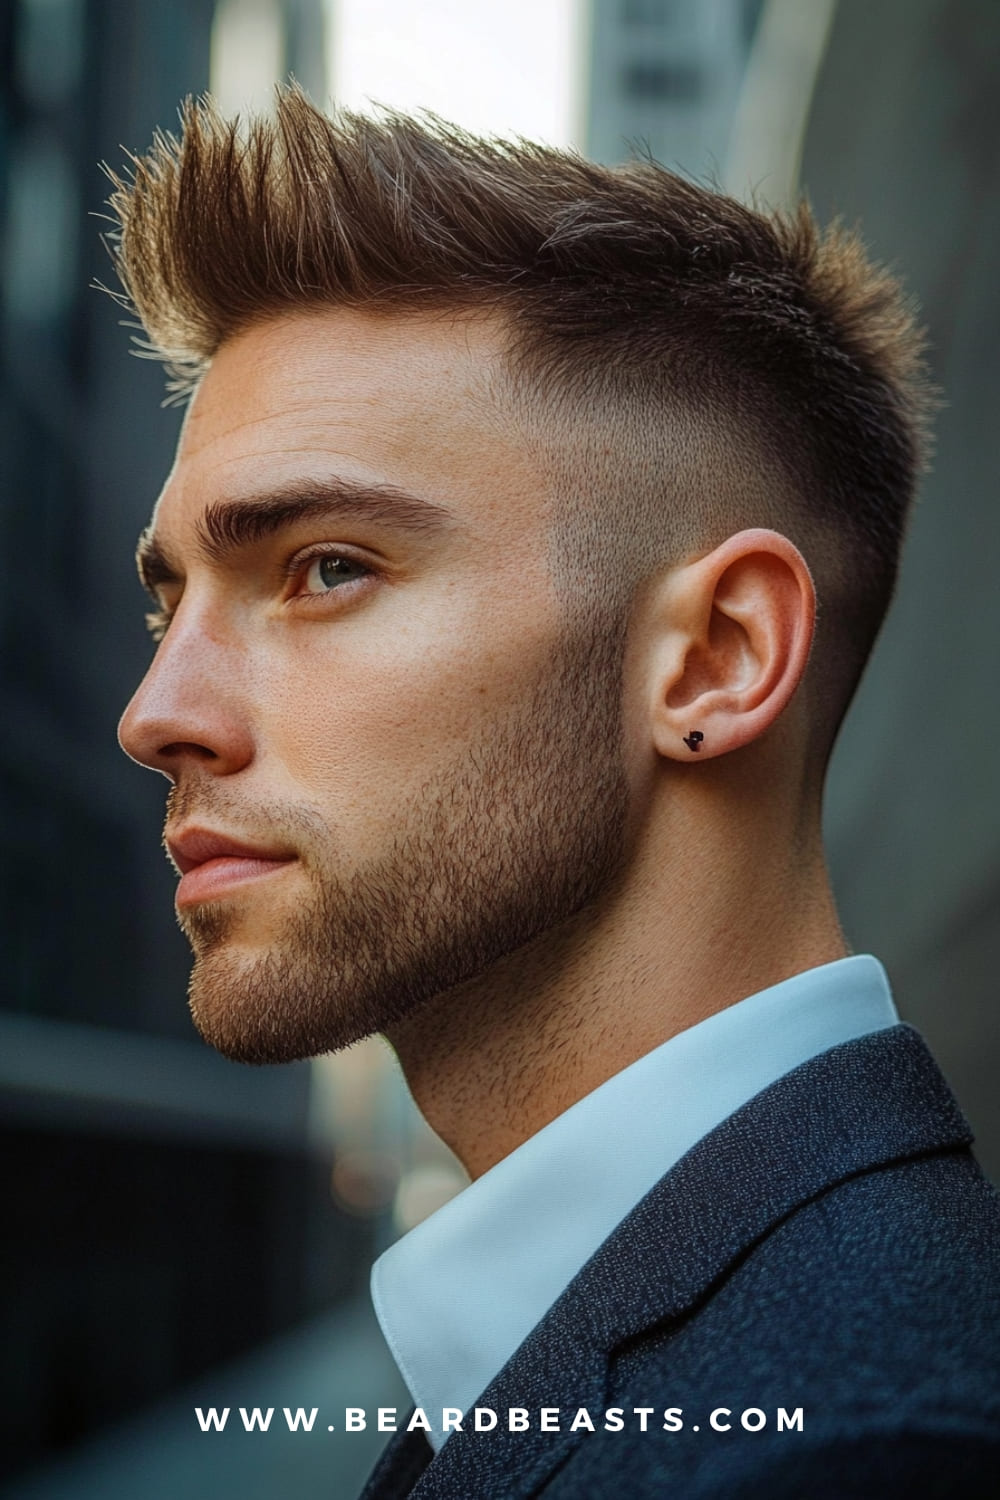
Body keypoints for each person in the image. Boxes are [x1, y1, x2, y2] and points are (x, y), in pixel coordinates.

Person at [112, 88, 999, 1498]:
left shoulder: (867, 1460)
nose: (156, 716)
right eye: (169, 607)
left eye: (325, 568)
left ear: (718, 659)